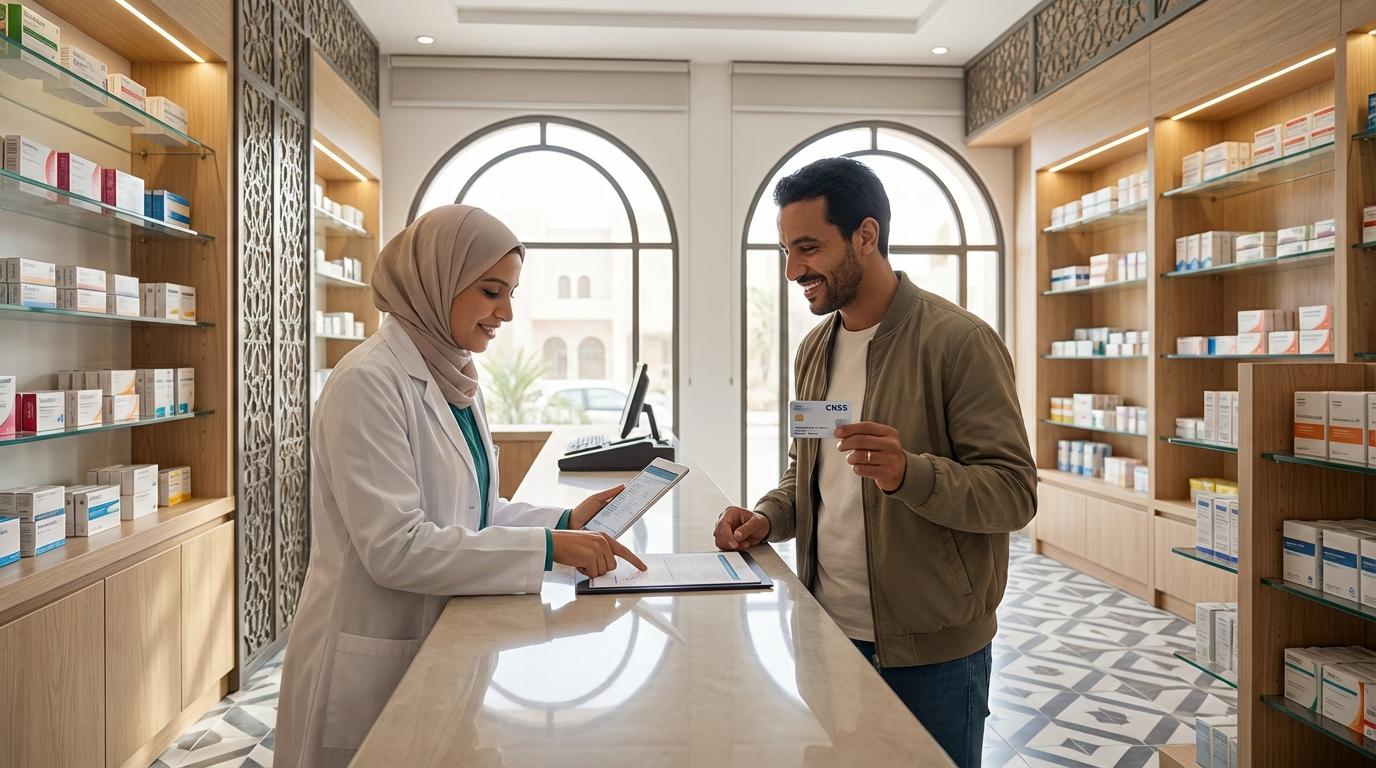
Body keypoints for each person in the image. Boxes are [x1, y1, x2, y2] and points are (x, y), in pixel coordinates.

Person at [277, 205, 646, 768]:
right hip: (370, 650)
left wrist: (565, 522)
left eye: (512, 293)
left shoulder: (453, 375)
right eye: (491, 291)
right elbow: (394, 547)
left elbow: (473, 511)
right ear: (437, 281)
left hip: (439, 646)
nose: (507, 313)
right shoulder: (367, 383)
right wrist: (549, 548)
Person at [714, 157, 1036, 768]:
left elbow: (1014, 493)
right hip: (827, 630)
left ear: (866, 235)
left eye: (808, 247)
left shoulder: (959, 342)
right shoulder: (815, 348)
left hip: (933, 656)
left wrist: (908, 474)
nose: (792, 269)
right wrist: (768, 517)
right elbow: (806, 471)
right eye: (785, 250)